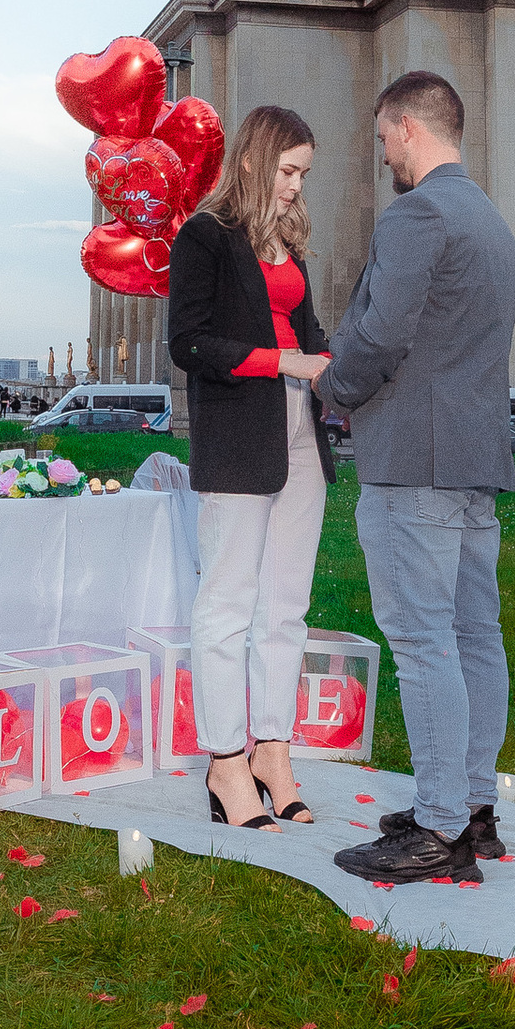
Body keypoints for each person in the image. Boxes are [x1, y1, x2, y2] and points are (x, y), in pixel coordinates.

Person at [321, 70, 515, 887]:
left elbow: (381, 333)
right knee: (475, 635)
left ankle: (440, 828)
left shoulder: (418, 214)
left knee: (423, 640)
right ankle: (472, 806)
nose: (384, 157)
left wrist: (332, 386)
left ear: (407, 127)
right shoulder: (492, 221)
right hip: (475, 463)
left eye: (383, 139)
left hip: (414, 464)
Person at [165, 103, 335, 832]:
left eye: (303, 175)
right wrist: (282, 362)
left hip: (302, 434)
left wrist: (337, 368)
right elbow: (188, 343)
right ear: (255, 162)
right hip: (238, 436)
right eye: (288, 171)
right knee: (227, 606)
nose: (295, 186)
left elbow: (310, 334)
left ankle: (273, 750)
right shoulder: (205, 235)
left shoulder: (288, 247)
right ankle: (226, 761)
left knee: (285, 607)